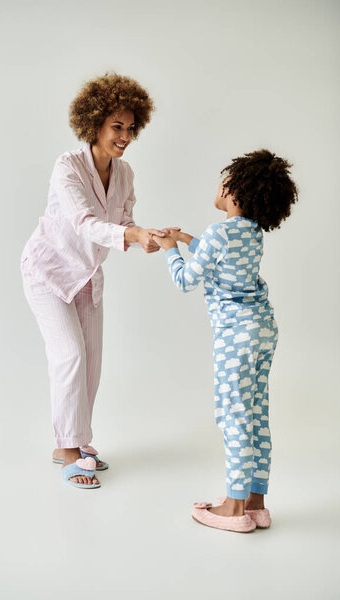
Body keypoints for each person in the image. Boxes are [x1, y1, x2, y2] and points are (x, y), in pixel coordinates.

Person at [21, 73, 167, 489]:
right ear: (95, 124)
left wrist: (147, 237)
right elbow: (86, 224)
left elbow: (123, 224)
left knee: (92, 362)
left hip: (87, 276)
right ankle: (64, 447)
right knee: (69, 354)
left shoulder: (125, 174)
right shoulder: (67, 166)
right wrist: (131, 236)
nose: (125, 136)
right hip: (47, 272)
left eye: (130, 127)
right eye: (117, 127)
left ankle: (79, 440)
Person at [152, 149, 298, 532]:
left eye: (227, 179)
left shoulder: (220, 233)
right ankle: (256, 503)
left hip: (236, 335)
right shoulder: (252, 233)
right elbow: (225, 258)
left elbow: (186, 280)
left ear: (236, 191)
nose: (221, 183)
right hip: (263, 330)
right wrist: (186, 238)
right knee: (255, 414)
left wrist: (171, 251)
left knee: (233, 414)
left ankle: (233, 509)